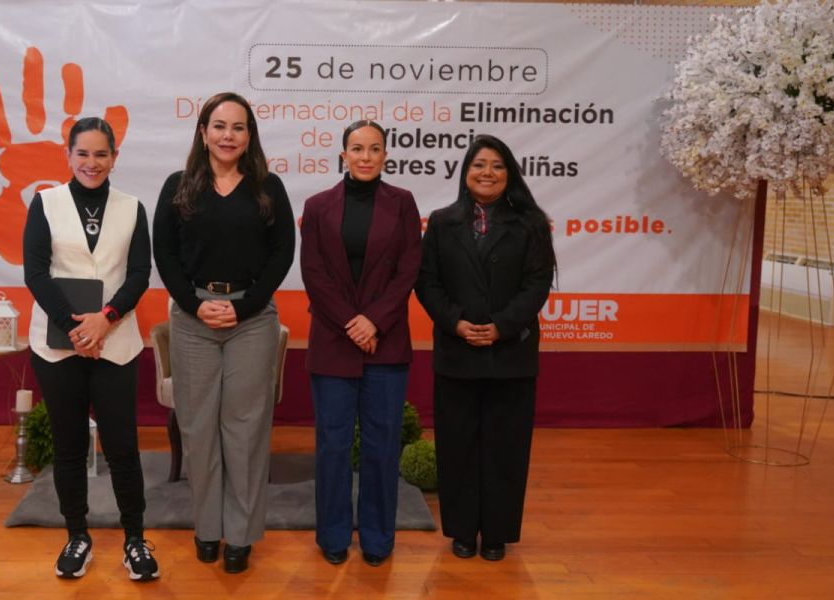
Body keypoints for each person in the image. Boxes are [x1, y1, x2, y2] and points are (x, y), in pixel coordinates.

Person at [152, 92, 295, 574]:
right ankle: (207, 528)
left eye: (237, 127)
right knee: (199, 430)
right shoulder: (179, 186)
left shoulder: (268, 187)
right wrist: (194, 305)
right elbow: (164, 254)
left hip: (252, 320)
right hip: (193, 320)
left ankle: (240, 535)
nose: (227, 135)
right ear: (203, 132)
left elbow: (282, 254)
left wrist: (246, 307)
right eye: (219, 126)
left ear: (249, 135)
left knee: (246, 429)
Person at [23, 117, 159, 581]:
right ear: (68, 155)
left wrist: (106, 320)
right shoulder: (44, 203)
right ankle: (76, 536)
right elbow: (36, 273)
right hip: (58, 347)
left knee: (123, 447)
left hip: (116, 342)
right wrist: (74, 328)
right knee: (69, 447)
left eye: (102, 154)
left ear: (115, 158)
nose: (92, 162)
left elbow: (140, 273)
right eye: (83, 153)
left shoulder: (133, 207)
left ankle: (135, 540)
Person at [415, 134, 556, 562]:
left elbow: (537, 284)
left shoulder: (530, 223)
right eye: (479, 165)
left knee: (505, 449)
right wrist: (455, 322)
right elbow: (427, 281)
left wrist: (501, 326)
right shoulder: (442, 221)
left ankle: (496, 533)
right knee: (457, 447)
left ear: (509, 172)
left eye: (496, 165)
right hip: (457, 354)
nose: (487, 173)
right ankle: (460, 530)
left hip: (511, 355)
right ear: (466, 172)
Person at [299, 120, 422, 567]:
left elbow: (409, 269)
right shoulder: (317, 206)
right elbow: (313, 273)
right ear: (343, 154)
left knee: (381, 444)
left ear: (385, 154)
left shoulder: (403, 204)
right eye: (357, 148)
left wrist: (374, 321)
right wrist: (352, 322)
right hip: (333, 341)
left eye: (374, 148)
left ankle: (376, 538)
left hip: (385, 343)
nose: (366, 156)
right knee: (332, 445)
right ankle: (332, 536)